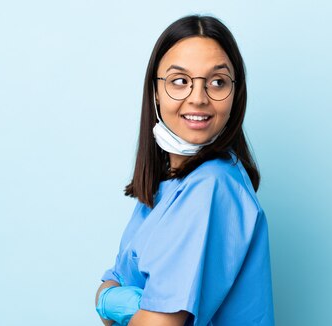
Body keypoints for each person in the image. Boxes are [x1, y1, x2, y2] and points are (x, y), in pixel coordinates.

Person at [94, 15, 275, 326]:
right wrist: (126, 302)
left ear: (235, 94)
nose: (198, 98)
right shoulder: (165, 185)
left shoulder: (213, 185)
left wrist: (115, 300)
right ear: (155, 91)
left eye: (217, 82)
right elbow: (108, 289)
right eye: (180, 81)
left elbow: (142, 314)